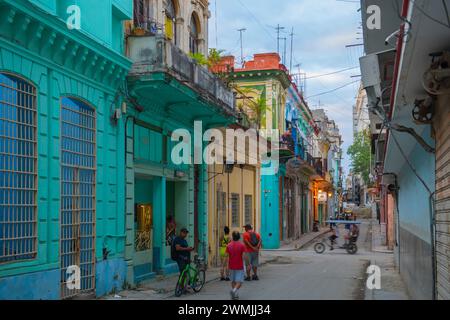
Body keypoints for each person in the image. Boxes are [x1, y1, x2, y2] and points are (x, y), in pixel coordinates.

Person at [226, 231, 246, 300]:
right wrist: (248, 264)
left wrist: (226, 267)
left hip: (231, 265)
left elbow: (227, 257)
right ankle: (233, 291)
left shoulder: (228, 245)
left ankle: (236, 294)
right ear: (239, 237)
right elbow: (243, 256)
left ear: (232, 237)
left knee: (233, 281)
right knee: (240, 281)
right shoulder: (242, 245)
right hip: (239, 266)